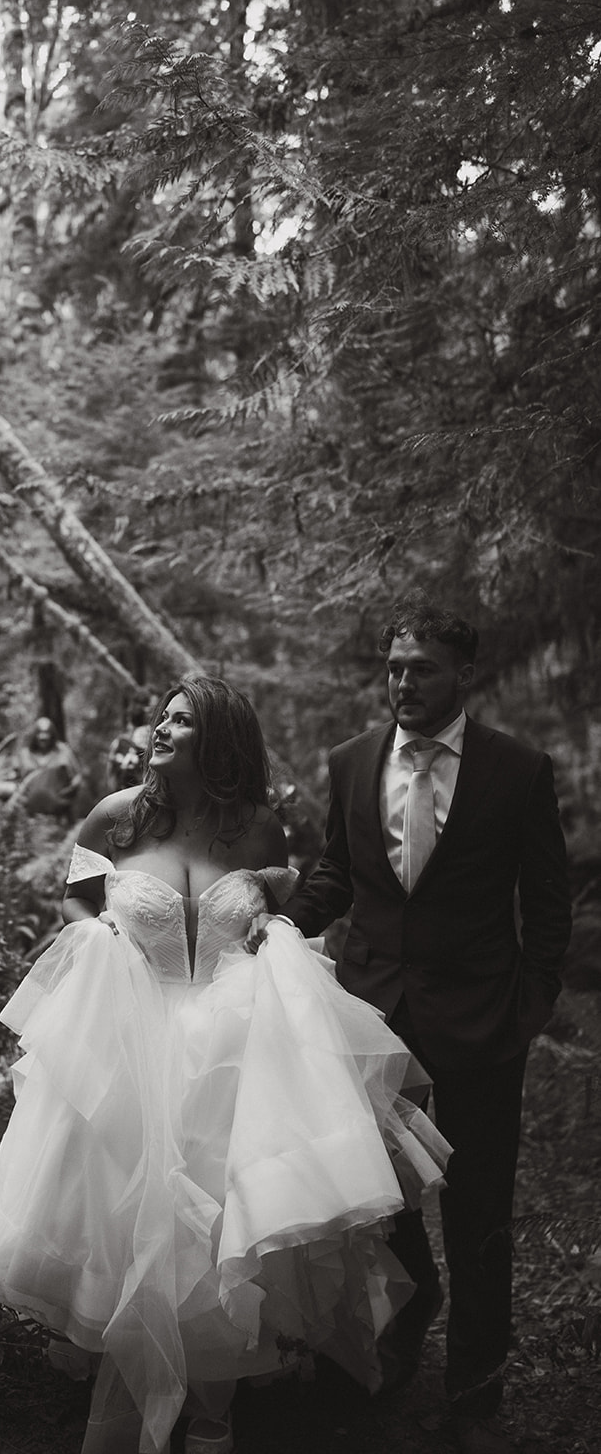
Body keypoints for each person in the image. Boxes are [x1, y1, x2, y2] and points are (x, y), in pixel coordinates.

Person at [0, 676, 450, 1454]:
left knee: (216, 1219)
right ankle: (129, 1363)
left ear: (218, 741)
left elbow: (278, 907)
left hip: (228, 1043)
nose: (163, 728)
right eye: (163, 716)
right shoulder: (116, 816)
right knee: (127, 1208)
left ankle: (214, 1417)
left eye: (183, 720)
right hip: (131, 1032)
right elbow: (74, 897)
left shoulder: (257, 832)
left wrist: (268, 936)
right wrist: (102, 934)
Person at [285, 597, 572, 1454]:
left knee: (478, 1211)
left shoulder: (517, 771)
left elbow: (547, 901)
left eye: (421, 669)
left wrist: (532, 1002)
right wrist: (278, 922)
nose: (402, 682)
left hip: (484, 1020)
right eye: (394, 667)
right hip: (373, 1018)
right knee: (377, 1201)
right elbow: (337, 871)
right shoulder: (349, 761)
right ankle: (406, 1325)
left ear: (463, 675)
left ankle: (476, 1390)